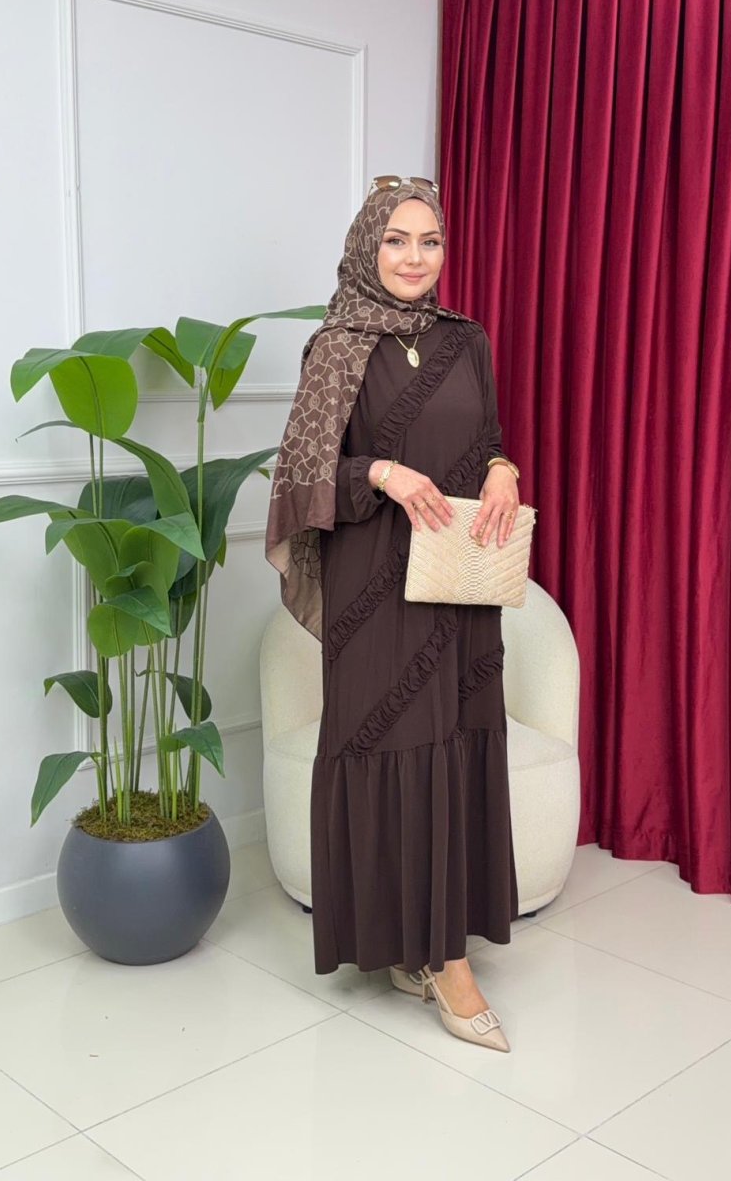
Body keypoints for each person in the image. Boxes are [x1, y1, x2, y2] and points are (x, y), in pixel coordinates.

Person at [265, 175, 521, 1053]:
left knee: (452, 741)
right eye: (397, 240)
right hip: (374, 580)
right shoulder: (336, 347)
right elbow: (302, 476)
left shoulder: (466, 340)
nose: (416, 258)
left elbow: (485, 441)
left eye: (431, 241)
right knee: (395, 741)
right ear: (367, 246)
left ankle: (429, 944)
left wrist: (503, 472)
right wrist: (381, 472)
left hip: (457, 574)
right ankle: (442, 962)